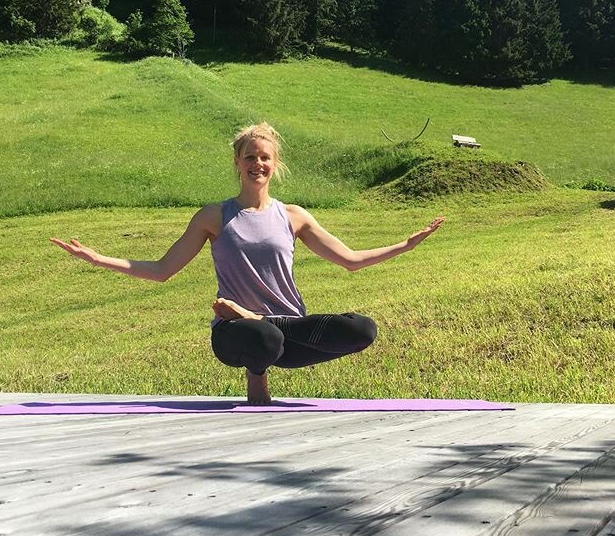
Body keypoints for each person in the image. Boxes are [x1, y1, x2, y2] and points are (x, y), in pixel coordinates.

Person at [51, 122, 444, 404]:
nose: (258, 163)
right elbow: (162, 270)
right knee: (263, 338)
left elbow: (351, 260)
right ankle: (253, 346)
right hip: (234, 335)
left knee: (363, 329)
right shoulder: (214, 217)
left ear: (276, 165)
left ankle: (255, 320)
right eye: (250, 156)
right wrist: (100, 258)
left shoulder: (293, 216)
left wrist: (405, 246)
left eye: (265, 157)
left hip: (288, 333)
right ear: (237, 163)